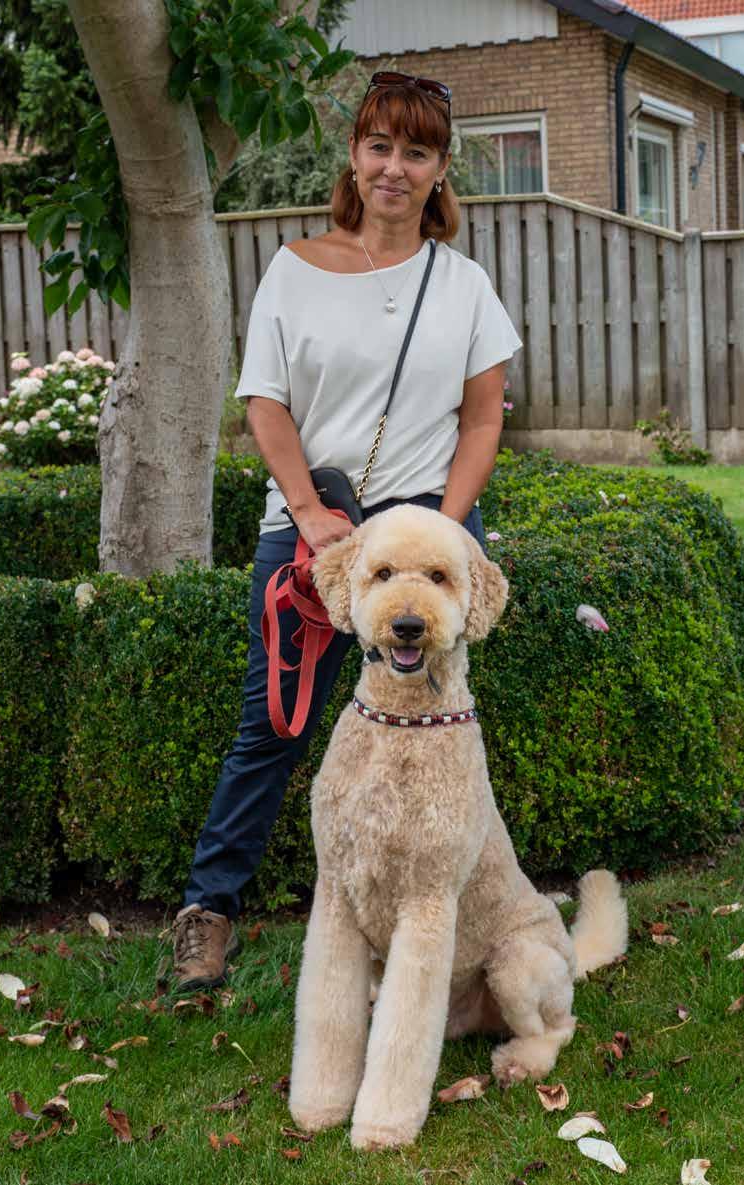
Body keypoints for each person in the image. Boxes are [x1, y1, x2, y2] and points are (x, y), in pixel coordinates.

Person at [171, 71, 522, 991]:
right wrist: (307, 511)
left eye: (417, 152)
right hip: (314, 528)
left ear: (440, 170)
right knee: (274, 725)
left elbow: (482, 421)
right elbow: (265, 400)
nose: (395, 168)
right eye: (380, 147)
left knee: (434, 733)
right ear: (355, 157)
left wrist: (443, 536)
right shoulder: (293, 270)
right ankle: (208, 910)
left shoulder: (465, 285)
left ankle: (436, 919)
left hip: (428, 529)